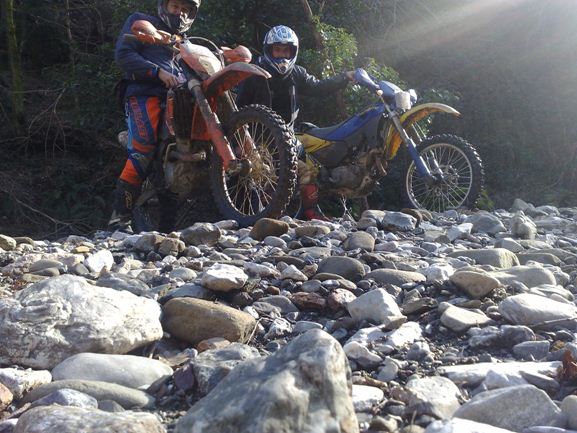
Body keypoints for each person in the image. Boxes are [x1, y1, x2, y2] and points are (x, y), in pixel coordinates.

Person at [236, 25, 355, 221]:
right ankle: (260, 217)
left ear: (293, 52)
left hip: (287, 138)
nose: (282, 55)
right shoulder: (253, 74)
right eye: (277, 49)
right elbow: (238, 110)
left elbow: (318, 87)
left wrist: (345, 77)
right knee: (263, 174)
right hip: (257, 139)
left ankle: (310, 212)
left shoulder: (297, 73)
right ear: (269, 50)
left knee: (309, 170)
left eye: (286, 50)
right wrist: (240, 141)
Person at [108, 0, 200, 230]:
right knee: (143, 149)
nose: (180, 13)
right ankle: (119, 218)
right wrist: (157, 72)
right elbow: (124, 54)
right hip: (144, 93)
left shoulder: (186, 41)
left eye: (186, 10)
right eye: (176, 7)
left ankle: (167, 229)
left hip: (179, 99)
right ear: (164, 6)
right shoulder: (143, 22)